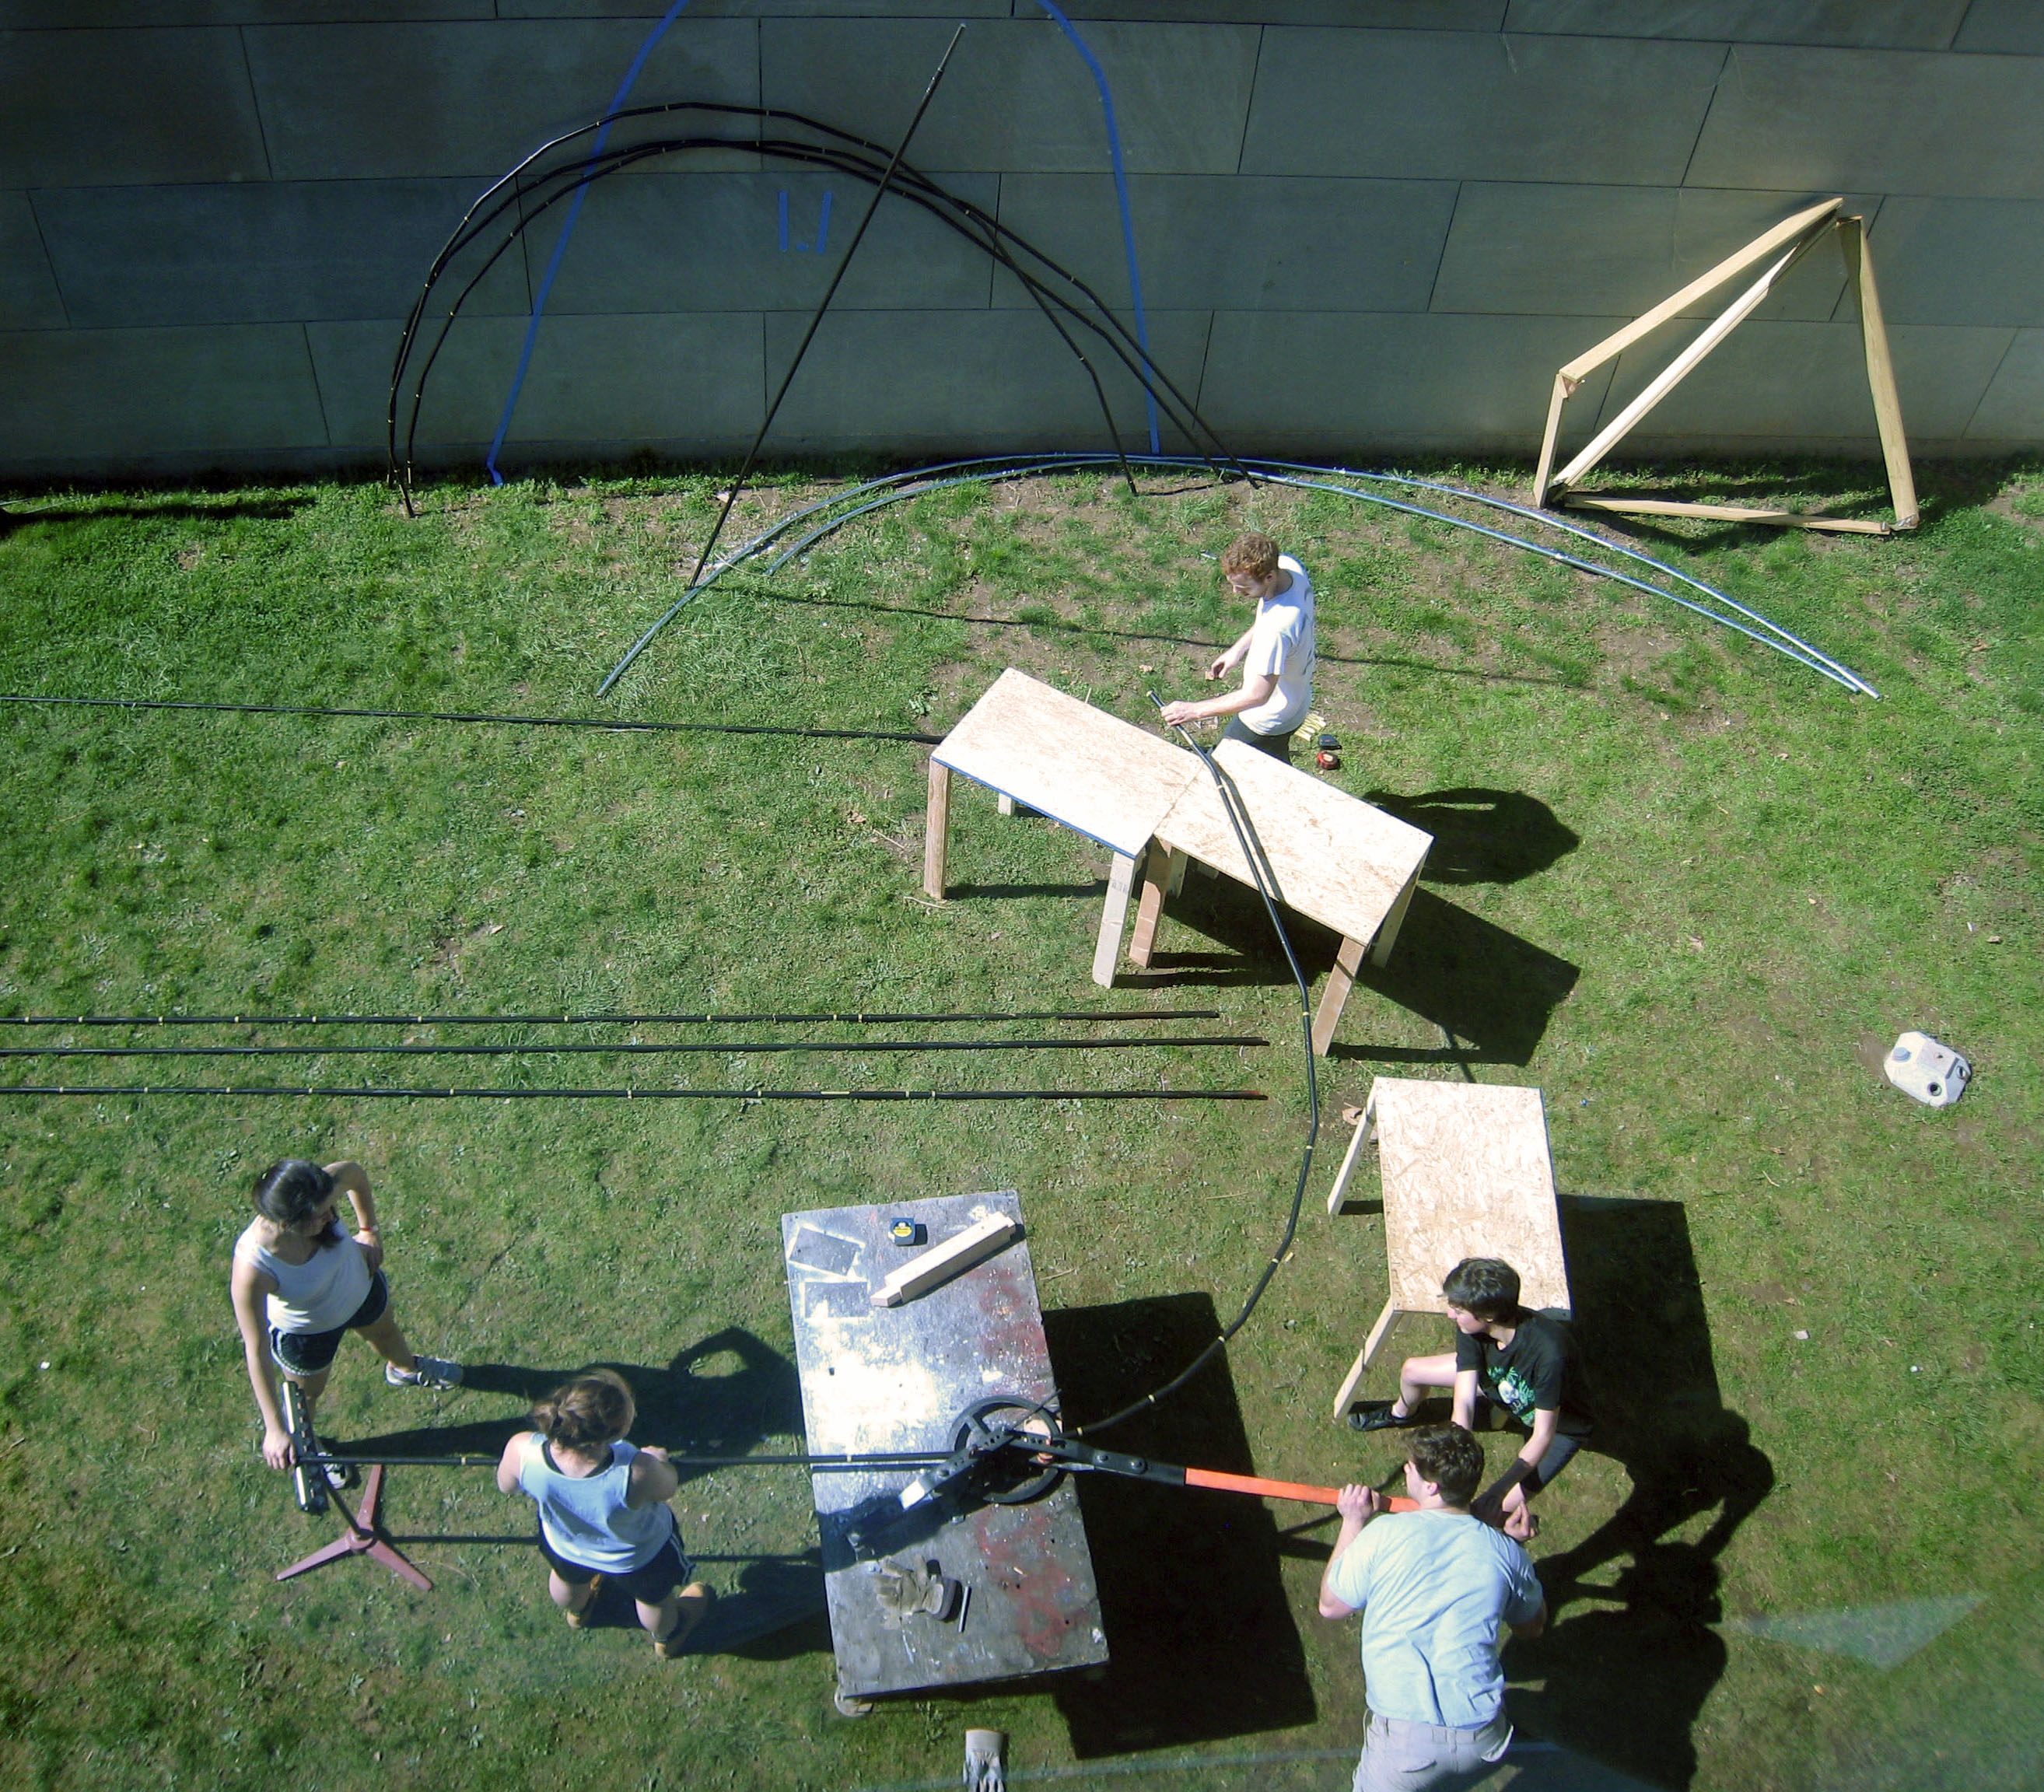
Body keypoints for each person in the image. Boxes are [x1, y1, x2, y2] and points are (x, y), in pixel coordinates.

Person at [1319, 1423, 1546, 1792]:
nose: (1405, 1470)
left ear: (1431, 1486)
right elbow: (1531, 1627)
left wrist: (1353, 1522)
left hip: (1408, 1753)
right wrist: (1516, 1550)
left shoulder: (1384, 1534)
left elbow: (1331, 1606)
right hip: (1483, 1740)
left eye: (1410, 1466)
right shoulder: (1506, 1552)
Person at [229, 1158, 463, 1477]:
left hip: (361, 1289)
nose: (330, 1216)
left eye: (330, 1208)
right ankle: (307, 1443)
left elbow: (354, 1173)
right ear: (289, 1222)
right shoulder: (253, 1267)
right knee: (307, 1396)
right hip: (308, 1335)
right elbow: (255, 1350)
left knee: (387, 1335)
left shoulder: (320, 1189)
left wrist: (369, 1231)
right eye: (320, 1215)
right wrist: (274, 1429)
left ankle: (406, 1370)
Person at [1349, 1258, 1594, 1527]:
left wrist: (1498, 1490)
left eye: (1457, 1310)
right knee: (1412, 1371)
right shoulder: (1471, 1326)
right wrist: (1450, 1463)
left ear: (1488, 1316)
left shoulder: (1549, 1354)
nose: (1450, 1315)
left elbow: (1543, 1435)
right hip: (1499, 1384)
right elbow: (1464, 1401)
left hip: (1560, 1429)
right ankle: (1400, 1415)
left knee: (1485, 1513)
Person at [497, 1368, 712, 1657]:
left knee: (566, 1580)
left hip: (565, 1545)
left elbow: (506, 1486)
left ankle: (578, 1611)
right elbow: (668, 1488)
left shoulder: (522, 1448)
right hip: (637, 1557)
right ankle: (668, 1635)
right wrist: (658, 1460)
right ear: (609, 1435)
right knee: (654, 1600)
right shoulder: (635, 1470)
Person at [1159, 531, 1315, 761]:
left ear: (1269, 576)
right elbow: (1269, 617)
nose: (1235, 593)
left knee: (1220, 763)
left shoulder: (1277, 631)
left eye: (1244, 588)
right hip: (1297, 700)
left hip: (1268, 718)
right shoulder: (1289, 568)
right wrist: (1237, 650)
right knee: (1272, 760)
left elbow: (1257, 696)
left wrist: (1193, 710)